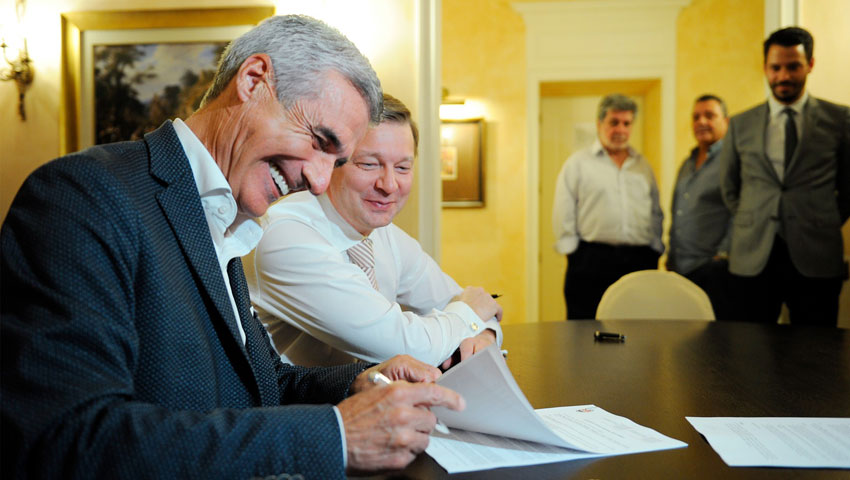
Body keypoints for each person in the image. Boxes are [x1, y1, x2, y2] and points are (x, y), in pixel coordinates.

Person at [0, 15, 464, 479]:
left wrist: (358, 383)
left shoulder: (226, 215)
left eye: (337, 160)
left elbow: (260, 385)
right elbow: (65, 439)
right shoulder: (82, 194)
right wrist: (337, 436)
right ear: (253, 80)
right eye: (319, 141)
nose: (320, 181)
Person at [244, 94, 503, 369]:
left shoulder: (384, 234)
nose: (389, 185)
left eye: (402, 168)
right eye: (369, 164)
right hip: (291, 397)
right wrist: (469, 317)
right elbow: (406, 345)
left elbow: (469, 304)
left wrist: (484, 334)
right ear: (329, 163)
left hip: (373, 394)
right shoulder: (285, 237)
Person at [719, 26, 850, 325]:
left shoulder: (840, 119)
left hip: (816, 254)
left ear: (810, 64)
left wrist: (823, 219)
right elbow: (729, 186)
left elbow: (848, 188)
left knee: (816, 347)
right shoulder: (740, 123)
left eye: (793, 67)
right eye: (775, 68)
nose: (783, 76)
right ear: (765, 67)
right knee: (750, 346)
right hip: (753, 254)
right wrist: (753, 217)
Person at [552, 93, 664, 319]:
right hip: (591, 262)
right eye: (614, 122)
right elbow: (564, 209)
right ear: (599, 123)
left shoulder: (643, 166)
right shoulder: (578, 164)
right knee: (585, 329)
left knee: (639, 330)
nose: (620, 129)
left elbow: (655, 210)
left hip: (639, 261)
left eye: (626, 123)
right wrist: (574, 254)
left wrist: (654, 248)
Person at [667, 94, 733, 320]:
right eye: (696, 117)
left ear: (726, 121)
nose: (701, 121)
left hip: (714, 271)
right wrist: (671, 256)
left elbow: (741, 212)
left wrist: (723, 255)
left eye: (709, 115)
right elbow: (677, 212)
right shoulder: (687, 163)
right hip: (681, 272)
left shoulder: (733, 161)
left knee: (717, 339)